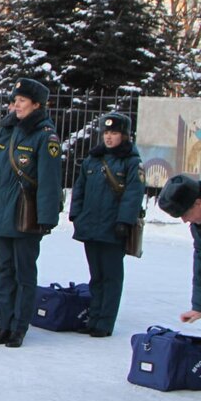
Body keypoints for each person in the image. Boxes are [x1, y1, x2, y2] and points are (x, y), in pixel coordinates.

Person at [0, 78, 62, 348]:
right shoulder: (7, 131)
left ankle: (19, 327)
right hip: (2, 213)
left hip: (26, 215)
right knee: (4, 271)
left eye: (22, 102)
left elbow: (50, 180)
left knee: (23, 273)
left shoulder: (44, 135)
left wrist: (47, 217)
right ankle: (4, 323)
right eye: (15, 101)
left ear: (37, 104)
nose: (16, 106)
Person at [70, 113, 144, 336]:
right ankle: (93, 318)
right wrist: (76, 215)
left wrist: (124, 221)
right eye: (107, 133)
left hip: (113, 228)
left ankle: (104, 322)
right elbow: (79, 188)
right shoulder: (93, 159)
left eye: (114, 133)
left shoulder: (131, 161)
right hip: (91, 226)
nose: (109, 137)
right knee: (96, 276)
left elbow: (133, 194)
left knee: (111, 276)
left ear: (125, 135)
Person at [156, 173, 201, 323]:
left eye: (186, 213)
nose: (185, 220)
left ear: (198, 203)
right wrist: (198, 306)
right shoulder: (198, 225)